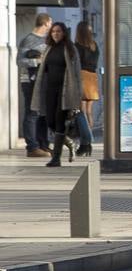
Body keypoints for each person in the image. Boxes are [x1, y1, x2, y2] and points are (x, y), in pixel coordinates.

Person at [30, 21, 83, 167]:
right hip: (50, 90)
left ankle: (56, 158)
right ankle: (70, 143)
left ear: (64, 33)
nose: (55, 34)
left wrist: (77, 95)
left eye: (58, 31)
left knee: (59, 122)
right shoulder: (49, 48)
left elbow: (76, 73)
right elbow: (44, 70)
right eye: (53, 31)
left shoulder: (70, 49)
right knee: (50, 122)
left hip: (65, 91)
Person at [17, 13, 52, 157]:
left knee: (43, 113)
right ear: (45, 23)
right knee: (32, 113)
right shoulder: (29, 40)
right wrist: (37, 61)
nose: (51, 27)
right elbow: (20, 61)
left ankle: (43, 144)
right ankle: (32, 147)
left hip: (43, 81)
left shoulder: (47, 40)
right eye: (50, 24)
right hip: (30, 82)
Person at [74, 22, 100, 157]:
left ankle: (86, 141)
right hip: (92, 77)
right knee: (89, 111)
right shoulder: (94, 46)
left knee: (81, 111)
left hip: (82, 77)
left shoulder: (77, 46)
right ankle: (88, 142)